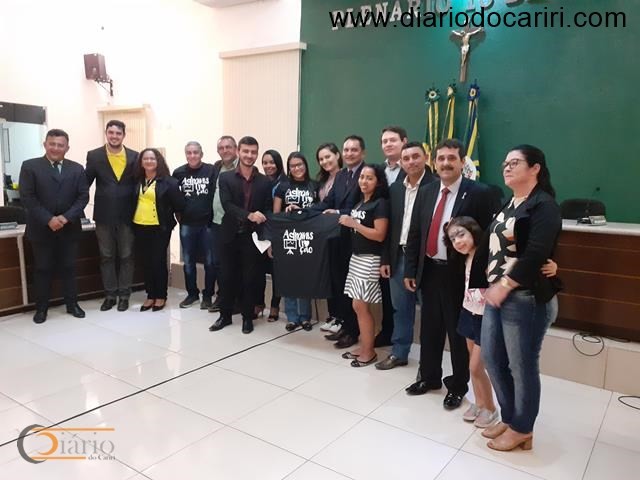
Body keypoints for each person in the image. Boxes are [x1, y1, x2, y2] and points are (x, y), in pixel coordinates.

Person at [471, 145, 562, 451]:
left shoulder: (544, 205)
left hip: (524, 297)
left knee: (521, 366)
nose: (506, 167)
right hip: (497, 293)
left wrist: (506, 284)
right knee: (493, 359)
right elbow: (494, 245)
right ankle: (510, 419)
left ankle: (523, 428)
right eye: (505, 163)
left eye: (514, 162)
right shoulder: (509, 203)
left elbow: (537, 250)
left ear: (535, 168)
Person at [403, 138, 499, 409]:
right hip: (429, 270)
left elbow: (489, 236)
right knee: (429, 328)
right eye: (441, 158)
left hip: (460, 274)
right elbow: (416, 232)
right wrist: (411, 268)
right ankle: (429, 377)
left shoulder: (480, 193)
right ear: (434, 162)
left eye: (451, 158)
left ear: (462, 162)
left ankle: (458, 386)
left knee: (458, 334)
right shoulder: (426, 191)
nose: (445, 163)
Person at [446, 216, 559, 429]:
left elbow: (525, 262)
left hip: (485, 316)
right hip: (468, 312)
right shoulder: (463, 259)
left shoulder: (490, 256)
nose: (458, 241)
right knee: (473, 365)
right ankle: (480, 403)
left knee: (476, 366)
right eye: (453, 238)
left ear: (474, 232)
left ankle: (490, 408)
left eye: (461, 234)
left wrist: (552, 265)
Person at [19, 129, 89, 324]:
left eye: (60, 145)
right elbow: (27, 197)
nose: (56, 148)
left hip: (69, 228)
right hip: (41, 229)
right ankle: (41, 309)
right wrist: (49, 219)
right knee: (42, 269)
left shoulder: (76, 169)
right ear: (45, 144)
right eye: (52, 144)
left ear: (67, 147)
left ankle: (72, 304)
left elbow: (83, 196)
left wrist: (65, 218)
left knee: (69, 268)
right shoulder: (30, 166)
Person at [376, 142, 435, 370]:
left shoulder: (436, 186)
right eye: (406, 158)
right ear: (401, 162)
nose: (411, 162)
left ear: (426, 157)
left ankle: (429, 361)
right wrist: (386, 258)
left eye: (416, 156)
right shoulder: (396, 189)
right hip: (398, 255)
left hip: (426, 259)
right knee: (401, 308)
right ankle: (399, 352)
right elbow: (390, 227)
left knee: (430, 311)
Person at [209, 136, 272, 334]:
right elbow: (227, 205)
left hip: (252, 237)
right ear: (239, 152)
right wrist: (249, 215)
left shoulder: (264, 181)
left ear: (257, 153)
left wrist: (262, 222)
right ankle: (225, 316)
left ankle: (247, 318)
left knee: (249, 279)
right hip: (229, 234)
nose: (249, 155)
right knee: (226, 277)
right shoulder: (225, 177)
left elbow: (267, 209)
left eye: (253, 152)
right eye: (246, 151)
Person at [312, 135, 367, 350]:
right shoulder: (342, 175)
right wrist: (304, 211)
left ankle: (353, 331)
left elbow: (365, 206)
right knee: (341, 285)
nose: (349, 153)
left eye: (354, 150)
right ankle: (346, 326)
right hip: (337, 239)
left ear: (362, 152)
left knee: (352, 289)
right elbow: (328, 202)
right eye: (347, 150)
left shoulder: (367, 173)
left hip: (357, 240)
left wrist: (337, 212)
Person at [338, 165, 389, 367]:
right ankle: (364, 346)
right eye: (362, 177)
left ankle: (369, 352)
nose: (364, 181)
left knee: (360, 305)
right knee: (357, 305)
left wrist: (354, 224)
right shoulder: (361, 203)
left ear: (378, 182)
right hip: (357, 257)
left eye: (369, 178)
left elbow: (379, 235)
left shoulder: (380, 204)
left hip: (370, 258)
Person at [85, 120, 138, 312]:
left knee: (126, 256)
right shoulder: (94, 155)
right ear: (106, 133)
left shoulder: (134, 156)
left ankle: (124, 295)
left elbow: (139, 184)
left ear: (123, 135)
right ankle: (110, 295)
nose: (114, 136)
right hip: (104, 215)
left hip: (127, 215)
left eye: (118, 133)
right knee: (106, 256)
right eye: (111, 132)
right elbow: (85, 183)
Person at [132, 148, 184, 312]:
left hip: (159, 228)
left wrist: (173, 223)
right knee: (146, 262)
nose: (149, 161)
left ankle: (161, 296)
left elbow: (179, 205)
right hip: (139, 226)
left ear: (158, 161)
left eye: (152, 158)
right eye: (145, 159)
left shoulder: (169, 182)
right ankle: (150, 295)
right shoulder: (136, 180)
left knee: (158, 262)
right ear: (141, 162)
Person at [273, 152, 318, 332]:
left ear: (305, 165)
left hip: (308, 237)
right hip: (287, 237)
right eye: (292, 166)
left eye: (300, 164)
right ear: (289, 168)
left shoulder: (314, 185)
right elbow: (276, 215)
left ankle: (305, 317)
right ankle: (291, 317)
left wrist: (304, 211)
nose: (297, 168)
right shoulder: (282, 186)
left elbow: (320, 210)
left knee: (305, 277)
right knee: (289, 276)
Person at [172, 141, 217, 309]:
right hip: (187, 224)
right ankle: (192, 294)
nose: (192, 156)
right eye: (189, 153)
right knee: (188, 261)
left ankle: (208, 295)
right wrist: (179, 217)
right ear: (186, 155)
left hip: (208, 224)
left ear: (201, 154)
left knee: (210, 262)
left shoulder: (211, 170)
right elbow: (174, 197)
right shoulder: (178, 172)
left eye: (195, 152)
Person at [375, 126, 409, 348]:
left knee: (402, 298)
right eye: (384, 141)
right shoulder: (378, 171)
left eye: (392, 140)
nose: (388, 144)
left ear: (404, 141)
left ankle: (401, 340)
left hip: (403, 239)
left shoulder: (414, 169)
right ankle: (387, 332)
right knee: (385, 291)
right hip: (379, 238)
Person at [315, 142, 343, 333]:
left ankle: (341, 318)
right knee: (329, 277)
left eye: (328, 157)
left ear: (337, 155)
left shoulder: (346, 177)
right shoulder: (323, 180)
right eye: (321, 159)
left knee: (339, 278)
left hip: (340, 233)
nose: (325, 161)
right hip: (325, 235)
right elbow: (321, 205)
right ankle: (333, 316)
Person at [208, 135, 238, 313]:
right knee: (219, 263)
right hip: (217, 222)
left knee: (235, 264)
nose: (225, 150)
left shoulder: (242, 168)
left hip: (235, 224)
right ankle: (223, 296)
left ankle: (235, 299)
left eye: (228, 147)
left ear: (236, 149)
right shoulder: (216, 167)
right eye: (221, 148)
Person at [259, 149, 285, 321]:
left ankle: (275, 306)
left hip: (278, 232)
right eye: (265, 162)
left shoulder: (285, 183)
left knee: (277, 272)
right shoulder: (260, 181)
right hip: (259, 231)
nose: (268, 166)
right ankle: (259, 303)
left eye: (271, 162)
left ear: (278, 163)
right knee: (258, 270)